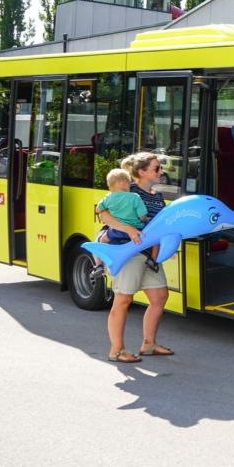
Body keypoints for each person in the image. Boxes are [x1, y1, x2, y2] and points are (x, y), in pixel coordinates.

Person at [97, 152, 174, 363]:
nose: (161, 172)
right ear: (141, 172)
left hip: (150, 256)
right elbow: (102, 214)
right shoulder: (126, 190)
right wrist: (129, 229)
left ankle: (149, 344)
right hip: (129, 252)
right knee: (123, 300)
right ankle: (116, 350)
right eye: (156, 168)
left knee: (159, 298)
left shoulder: (157, 196)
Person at [95, 168, 149, 244]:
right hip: (136, 229)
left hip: (117, 230)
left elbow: (97, 210)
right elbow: (142, 217)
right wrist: (145, 219)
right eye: (129, 182)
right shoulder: (135, 197)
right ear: (122, 182)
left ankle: (100, 250)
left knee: (103, 239)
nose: (130, 185)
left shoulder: (108, 197)